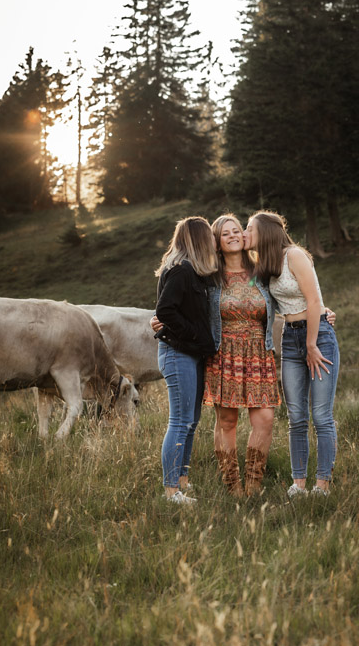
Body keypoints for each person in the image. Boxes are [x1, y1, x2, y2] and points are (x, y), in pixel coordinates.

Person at [245, 211, 340, 497]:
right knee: (296, 416)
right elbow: (247, 295)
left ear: (265, 231)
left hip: (318, 337)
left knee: (321, 415)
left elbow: (313, 300)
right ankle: (299, 484)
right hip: (289, 339)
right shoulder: (263, 265)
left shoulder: (295, 255)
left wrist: (312, 342)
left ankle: (322, 484)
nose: (245, 233)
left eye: (249, 228)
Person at [202, 214, 281, 496]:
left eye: (237, 230)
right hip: (225, 354)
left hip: (259, 353)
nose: (234, 235)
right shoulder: (210, 277)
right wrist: (160, 319)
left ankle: (254, 483)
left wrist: (321, 311)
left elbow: (292, 295)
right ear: (217, 242)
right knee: (227, 421)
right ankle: (232, 484)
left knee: (265, 419)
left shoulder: (262, 272)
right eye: (226, 233)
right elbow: (185, 301)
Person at [154, 216, 220, 505]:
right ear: (199, 239)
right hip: (177, 353)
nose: (214, 243)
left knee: (191, 421)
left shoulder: (196, 273)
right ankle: (171, 491)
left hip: (191, 354)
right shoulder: (181, 271)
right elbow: (165, 312)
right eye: (210, 237)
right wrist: (194, 335)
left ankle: (182, 480)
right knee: (180, 421)